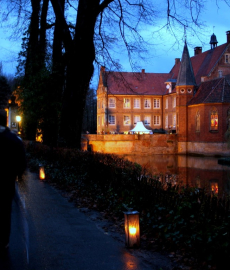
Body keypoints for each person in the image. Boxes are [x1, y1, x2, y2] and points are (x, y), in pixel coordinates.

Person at [0, 110, 26, 254]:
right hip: (7, 181)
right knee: (5, 210)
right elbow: (22, 162)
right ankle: (4, 241)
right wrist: (19, 176)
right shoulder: (14, 140)